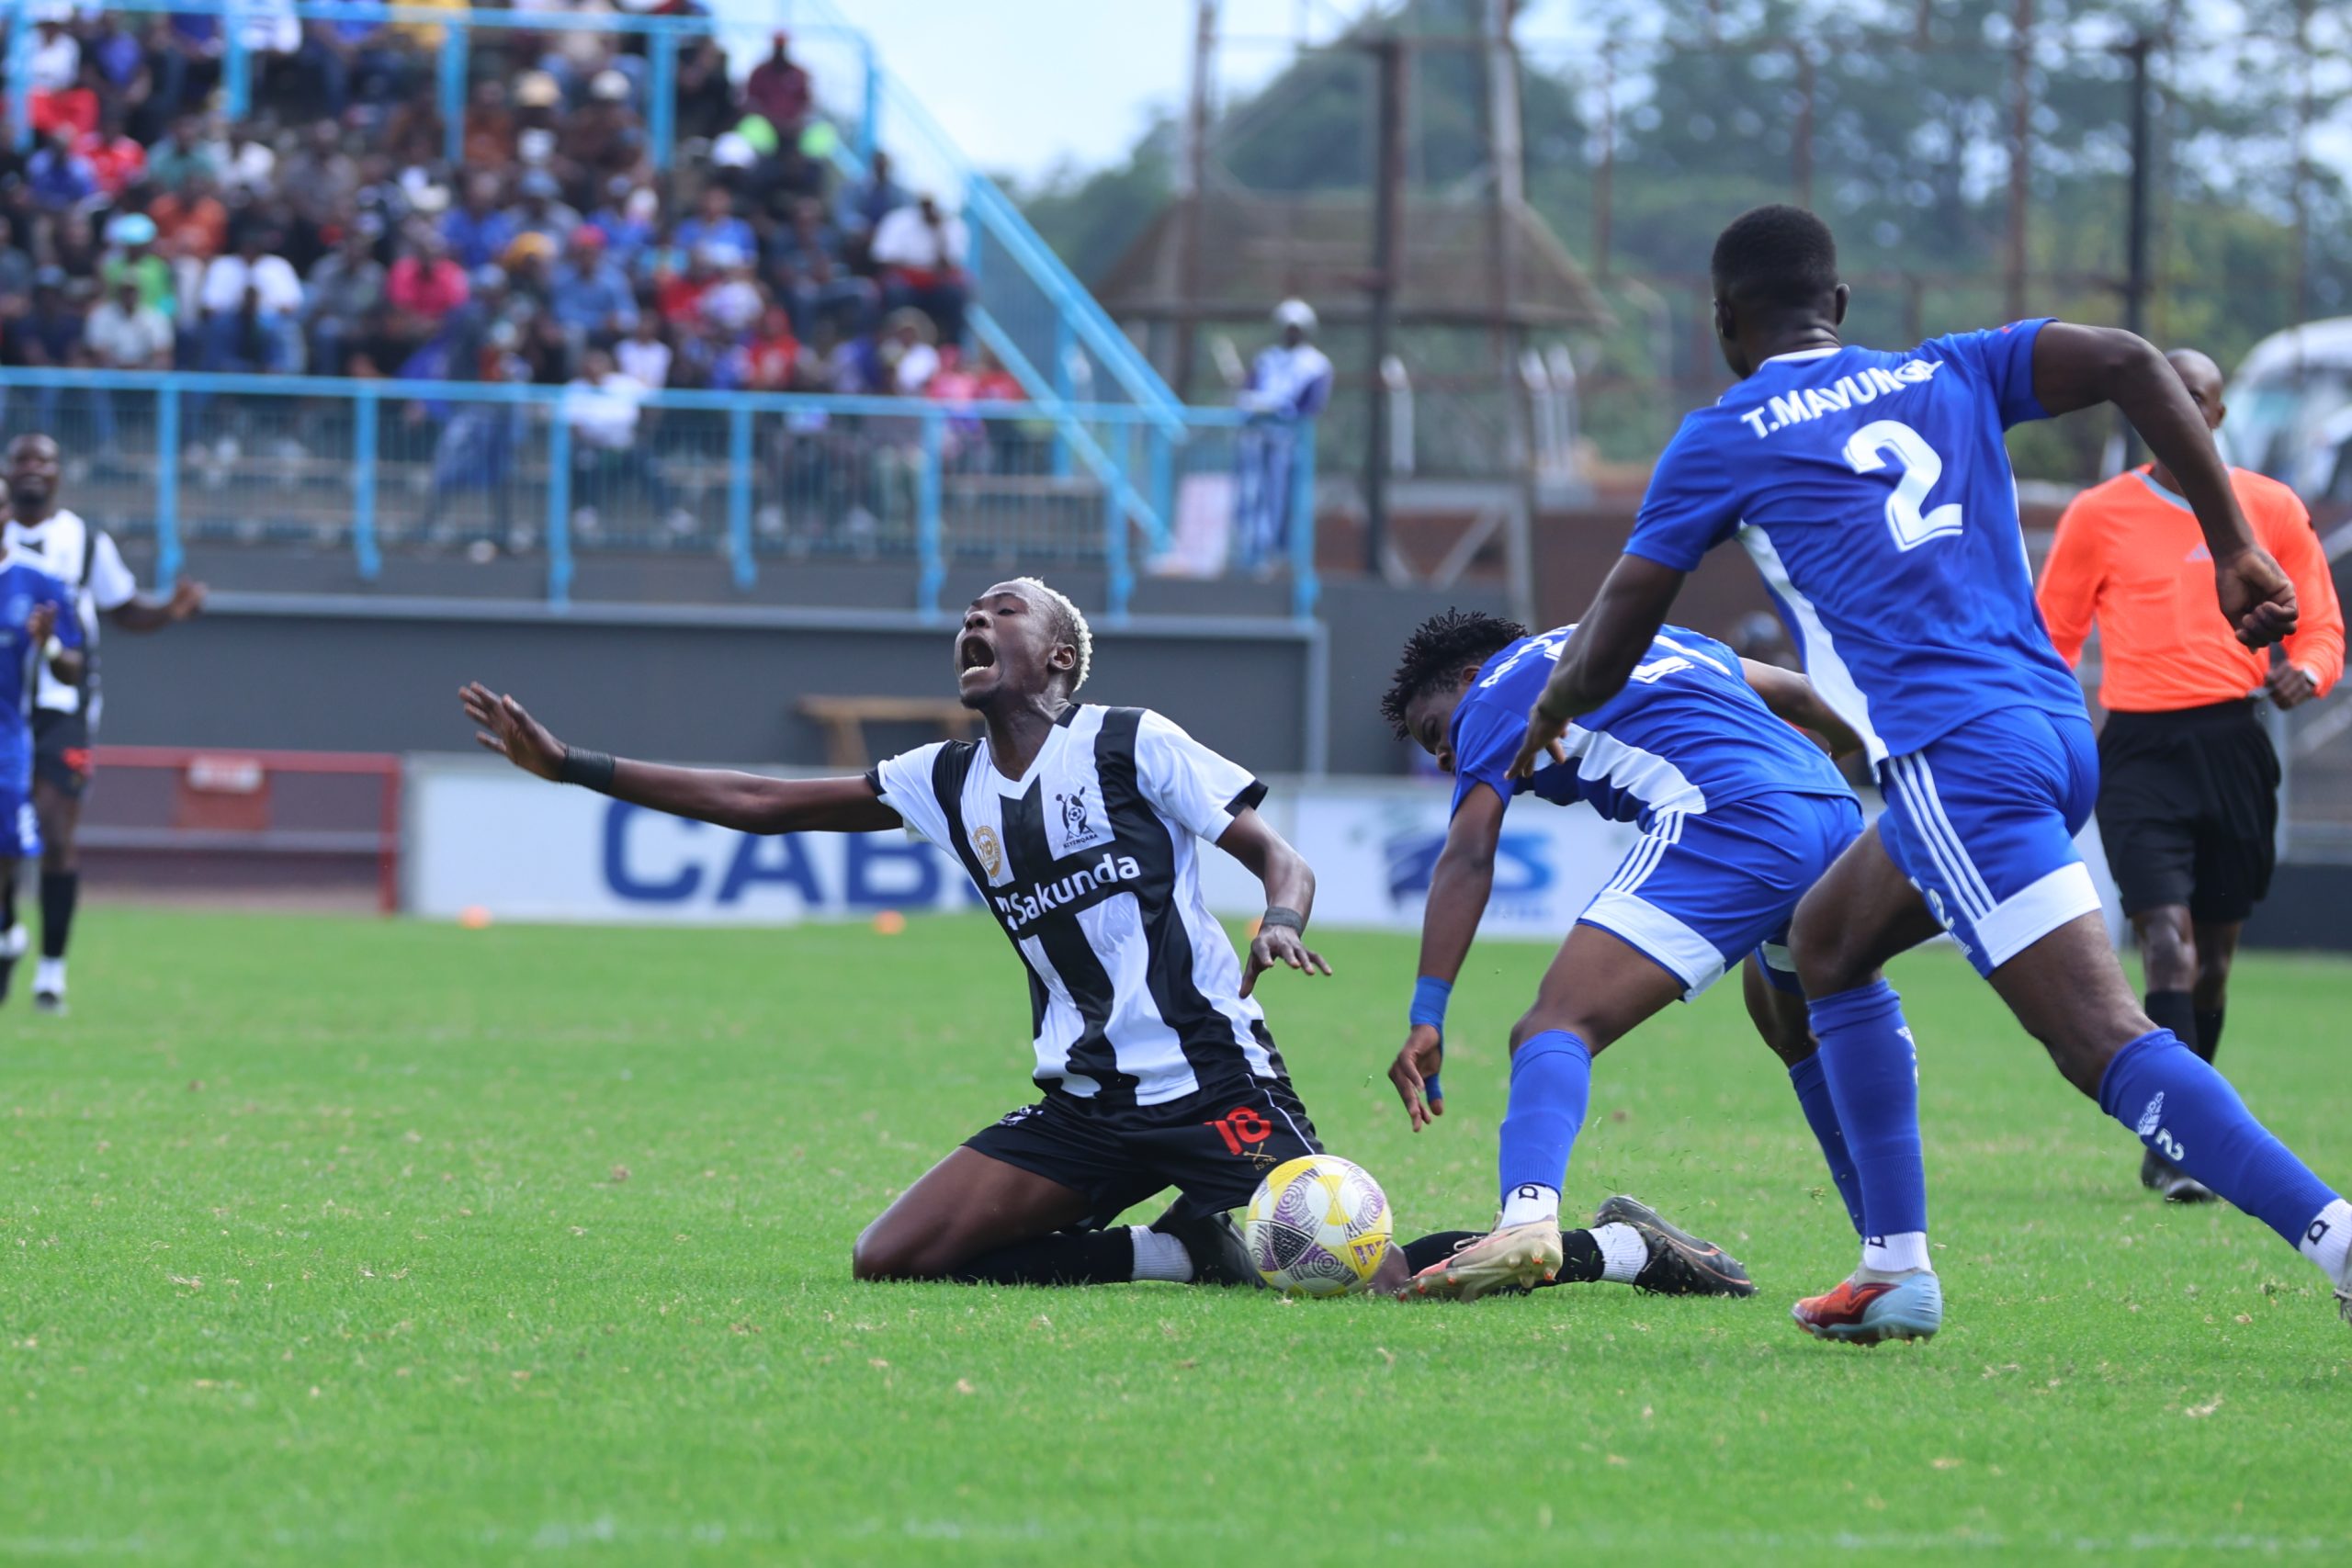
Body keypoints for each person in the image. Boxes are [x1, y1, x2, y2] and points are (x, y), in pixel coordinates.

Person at [1508, 203, 2352, 1341]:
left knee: (2101, 1043)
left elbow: (1616, 625)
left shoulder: (1725, 435)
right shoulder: (1947, 369)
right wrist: (2234, 541)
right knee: (1826, 944)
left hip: (1959, 759)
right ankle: (1892, 1270)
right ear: (1840, 306)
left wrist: (1555, 704)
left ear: (1721, 321)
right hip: (2048, 731)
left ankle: (2337, 1240)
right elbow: (2131, 363)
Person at [458, 579, 1737, 1294]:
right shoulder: (946, 778)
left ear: (1059, 651)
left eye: (999, 612)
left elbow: (1277, 854)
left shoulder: (1135, 739)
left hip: (1216, 1083)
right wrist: (572, 766)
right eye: (965, 617)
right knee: (894, 1256)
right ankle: (1187, 1248)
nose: (974, 625)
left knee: (1365, 1276)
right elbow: (760, 803)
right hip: (1082, 1103)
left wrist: (1283, 919)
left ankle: (1619, 1247)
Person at [1380, 610, 1869, 1301]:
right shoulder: (1645, 633)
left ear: (1467, 677)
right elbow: (1798, 693)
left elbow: (1467, 853)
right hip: (1832, 810)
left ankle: (1526, 1220)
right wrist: (1833, 769)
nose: (1444, 757)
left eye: (1437, 731)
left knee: (1552, 1025)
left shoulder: (1493, 690)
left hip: (1728, 813)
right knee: (1795, 1030)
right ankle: (1889, 1255)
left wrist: (1428, 1011)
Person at [2036, 348, 2346, 1201]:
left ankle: (2187, 1122)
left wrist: (2305, 674)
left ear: (2215, 416)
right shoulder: (2099, 515)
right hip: (2137, 751)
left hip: (2234, 748)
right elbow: (2051, 641)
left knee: (2211, 960)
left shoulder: (2270, 507)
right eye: (2162, 398)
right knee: (2164, 941)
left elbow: (2321, 627)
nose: (2180, 412)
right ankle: (2173, 1143)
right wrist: (2045, 728)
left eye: (2197, 399)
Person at [1, 435, 207, 1014]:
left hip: (64, 707)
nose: (33, 470)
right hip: (4, 706)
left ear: (61, 475)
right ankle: (6, 933)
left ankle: (51, 974)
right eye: (22, 460)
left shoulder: (84, 542)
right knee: (5, 839)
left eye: (45, 460)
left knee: (57, 830)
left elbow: (122, 609)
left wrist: (168, 609)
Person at [0, 490, 84, 1005]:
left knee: (10, 851)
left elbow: (72, 666)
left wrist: (49, 642)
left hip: (7, 738)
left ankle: (9, 931)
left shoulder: (38, 581)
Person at [1233, 299, 1333, 572]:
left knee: (1282, 497)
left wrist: (1285, 411)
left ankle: (1279, 553)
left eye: (1296, 329)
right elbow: (1249, 391)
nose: (1291, 334)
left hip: (1288, 443)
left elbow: (1312, 405)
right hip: (1256, 439)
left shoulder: (1316, 365)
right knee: (1250, 494)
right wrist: (1253, 403)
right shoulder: (1267, 359)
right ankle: (1248, 551)